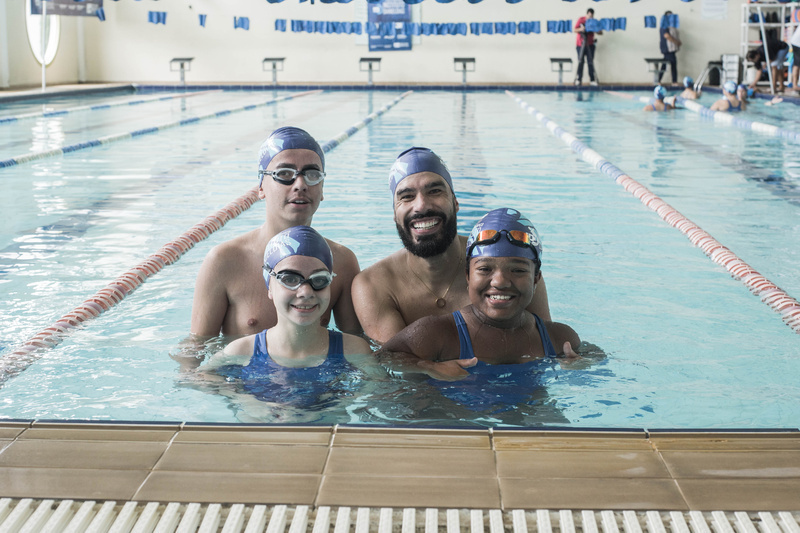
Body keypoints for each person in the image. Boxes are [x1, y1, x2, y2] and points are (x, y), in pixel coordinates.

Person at [351, 147, 551, 345]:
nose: (421, 205)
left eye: (435, 191)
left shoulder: (511, 266)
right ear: (394, 213)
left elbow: (545, 348)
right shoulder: (373, 285)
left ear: (455, 202)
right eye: (407, 196)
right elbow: (396, 366)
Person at [190, 127, 361, 338]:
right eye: (284, 174)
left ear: (322, 187)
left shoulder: (343, 262)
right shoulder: (223, 261)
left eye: (312, 175)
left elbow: (357, 349)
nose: (300, 184)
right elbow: (195, 352)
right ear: (261, 187)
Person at [376, 208, 580, 382]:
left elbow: (593, 358)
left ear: (536, 278)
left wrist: (582, 364)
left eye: (517, 270)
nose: (499, 282)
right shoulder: (438, 333)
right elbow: (381, 358)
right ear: (467, 275)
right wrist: (427, 366)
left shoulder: (559, 339)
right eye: (485, 269)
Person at [200, 226, 372, 406]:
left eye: (319, 280)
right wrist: (247, 400)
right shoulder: (242, 351)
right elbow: (198, 378)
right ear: (270, 287)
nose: (306, 291)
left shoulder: (354, 351)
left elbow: (379, 391)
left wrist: (344, 402)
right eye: (290, 279)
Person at [574, 8, 602, 87]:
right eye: (589, 15)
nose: (590, 17)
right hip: (580, 45)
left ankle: (592, 80)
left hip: (590, 45)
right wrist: (581, 29)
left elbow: (601, 32)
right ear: (587, 14)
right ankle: (578, 79)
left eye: (591, 16)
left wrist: (595, 29)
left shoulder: (594, 22)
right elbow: (574, 29)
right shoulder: (581, 20)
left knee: (590, 62)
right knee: (580, 61)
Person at [657, 11, 681, 85]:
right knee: (673, 64)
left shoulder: (670, 26)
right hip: (668, 49)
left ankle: (658, 80)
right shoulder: (664, 26)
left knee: (665, 65)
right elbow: (667, 36)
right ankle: (674, 81)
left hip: (670, 49)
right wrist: (676, 42)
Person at [790, 24, 800, 96]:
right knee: (797, 64)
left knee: (796, 64)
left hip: (795, 42)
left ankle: (795, 84)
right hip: (797, 43)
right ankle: (795, 85)